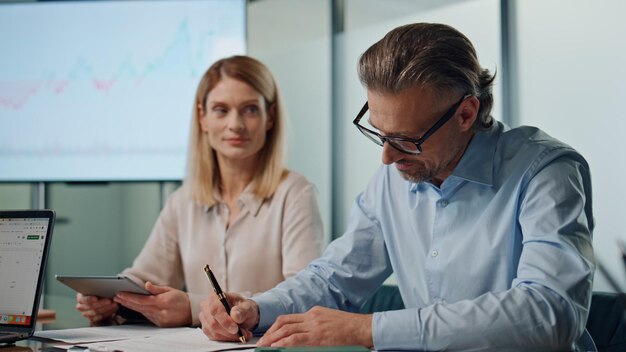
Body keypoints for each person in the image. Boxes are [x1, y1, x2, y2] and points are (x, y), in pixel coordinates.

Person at [199, 23, 596, 351]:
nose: (387, 158)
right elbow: (334, 277)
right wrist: (256, 307)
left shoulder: (546, 171)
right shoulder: (398, 175)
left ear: (466, 113)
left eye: (407, 138)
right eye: (379, 133)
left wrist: (369, 329)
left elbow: (549, 312)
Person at [75, 55, 324, 328]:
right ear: (202, 118)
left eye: (250, 109)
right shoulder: (183, 201)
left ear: (270, 117)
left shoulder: (295, 193)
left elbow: (305, 297)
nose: (235, 124)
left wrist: (193, 308)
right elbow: (146, 277)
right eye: (221, 110)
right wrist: (111, 299)